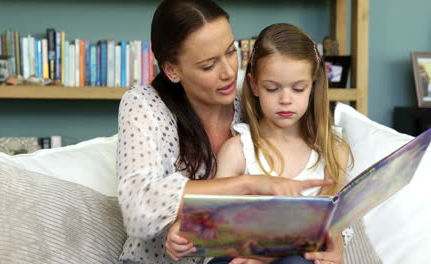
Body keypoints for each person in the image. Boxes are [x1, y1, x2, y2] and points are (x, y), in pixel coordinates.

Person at [117, 1, 334, 263]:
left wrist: (333, 243)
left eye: (231, 52)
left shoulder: (257, 100)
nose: (230, 72)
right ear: (172, 70)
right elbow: (138, 208)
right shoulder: (144, 105)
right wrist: (248, 184)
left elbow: (317, 178)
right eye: (209, 65)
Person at [208, 23, 355, 264]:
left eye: (298, 89)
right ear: (254, 85)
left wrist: (334, 251)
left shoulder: (332, 150)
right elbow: (215, 222)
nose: (285, 99)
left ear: (313, 86)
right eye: (272, 88)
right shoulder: (239, 151)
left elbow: (335, 224)